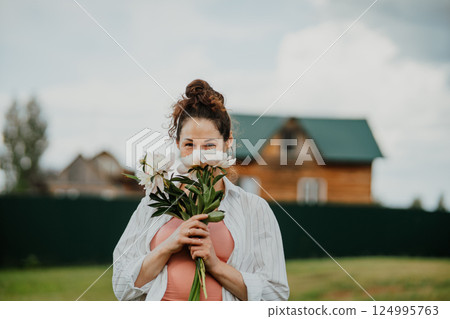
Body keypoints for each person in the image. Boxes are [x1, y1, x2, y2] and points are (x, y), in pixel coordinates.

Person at [112, 79, 289, 301]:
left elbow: (276, 295)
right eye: (189, 145)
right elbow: (120, 284)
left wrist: (215, 264)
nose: (199, 156)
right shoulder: (153, 203)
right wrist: (168, 246)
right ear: (177, 144)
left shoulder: (254, 209)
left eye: (209, 145)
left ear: (227, 143)